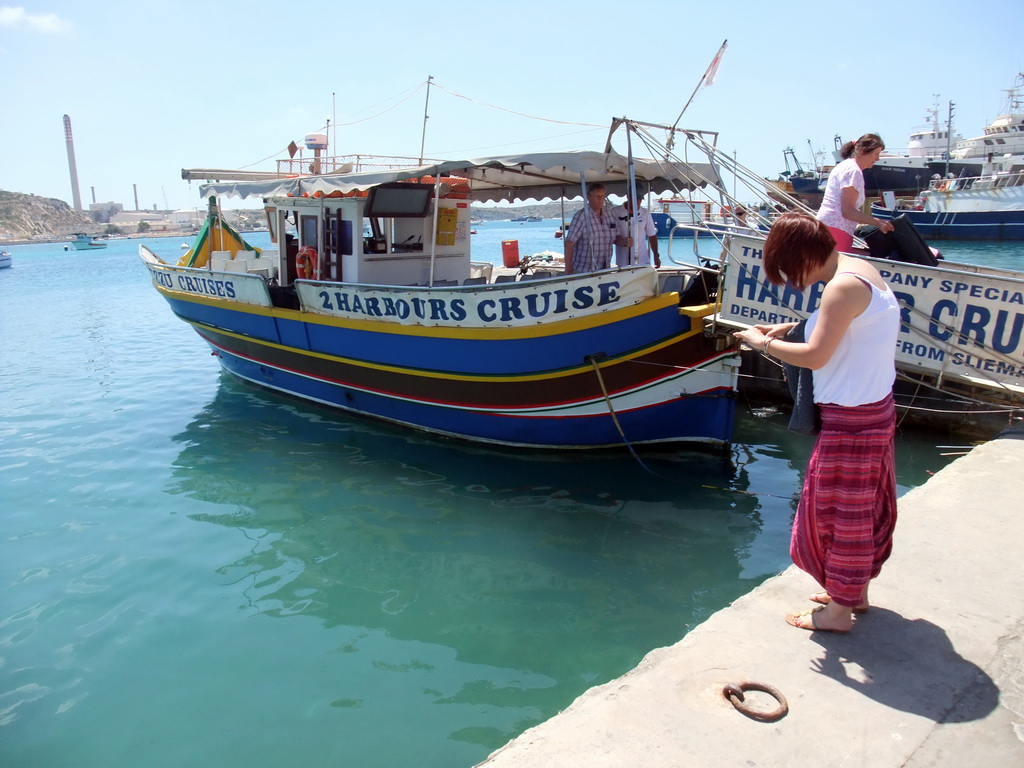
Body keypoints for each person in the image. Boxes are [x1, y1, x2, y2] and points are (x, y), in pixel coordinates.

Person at [733, 213, 900, 634]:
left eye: (789, 270)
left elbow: (816, 356)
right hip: (872, 410)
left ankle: (838, 614)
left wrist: (763, 342)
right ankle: (852, 594)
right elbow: (841, 329)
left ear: (804, 256)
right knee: (860, 511)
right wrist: (792, 329)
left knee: (836, 519)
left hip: (852, 422)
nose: (792, 282)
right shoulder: (856, 268)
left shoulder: (841, 288)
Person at [817, 133, 895, 252]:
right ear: (864, 151)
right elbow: (847, 211)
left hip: (828, 226)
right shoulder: (854, 172)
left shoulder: (845, 166)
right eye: (876, 154)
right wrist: (878, 222)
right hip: (837, 229)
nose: (878, 159)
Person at [563, 183, 617, 274]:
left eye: (602, 196)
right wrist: (569, 271)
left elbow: (616, 236)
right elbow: (569, 244)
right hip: (584, 271)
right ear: (588, 197)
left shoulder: (609, 214)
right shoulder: (581, 217)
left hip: (605, 270)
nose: (600, 200)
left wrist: (624, 242)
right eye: (597, 196)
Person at [612, 190, 660, 267]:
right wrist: (623, 242)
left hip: (642, 261)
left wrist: (656, 255)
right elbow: (611, 236)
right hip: (622, 262)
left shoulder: (645, 213)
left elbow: (652, 236)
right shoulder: (615, 212)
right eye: (635, 199)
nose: (638, 202)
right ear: (628, 197)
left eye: (640, 199)